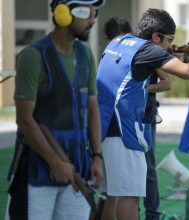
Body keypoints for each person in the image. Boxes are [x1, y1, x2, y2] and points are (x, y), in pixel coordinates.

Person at [96, 8, 189, 220]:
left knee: (111, 195)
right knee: (129, 198)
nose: (170, 45)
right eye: (168, 40)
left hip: (102, 128)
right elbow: (187, 72)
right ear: (155, 36)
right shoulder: (148, 50)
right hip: (124, 132)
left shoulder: (118, 42)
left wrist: (168, 52)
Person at [8, 0, 105, 219]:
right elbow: (24, 119)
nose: (92, 20)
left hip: (78, 168)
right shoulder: (33, 56)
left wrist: (97, 156)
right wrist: (54, 162)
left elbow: (92, 109)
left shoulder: (85, 55)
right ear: (62, 14)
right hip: (38, 171)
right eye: (86, 13)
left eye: (94, 13)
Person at [100, 16, 171, 220]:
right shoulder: (111, 53)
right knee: (115, 192)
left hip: (142, 117)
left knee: (144, 174)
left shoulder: (144, 52)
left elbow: (167, 83)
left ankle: (152, 213)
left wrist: (137, 89)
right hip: (116, 122)